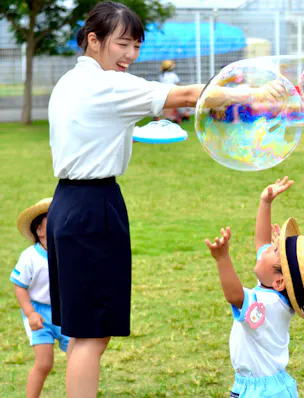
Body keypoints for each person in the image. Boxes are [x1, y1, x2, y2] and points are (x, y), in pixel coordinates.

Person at [46, 2, 283, 397]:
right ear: (94, 39)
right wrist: (254, 92)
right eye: (122, 44)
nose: (131, 55)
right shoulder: (108, 84)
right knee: (91, 336)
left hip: (68, 205)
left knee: (84, 332)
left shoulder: (71, 82)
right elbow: (190, 94)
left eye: (136, 45)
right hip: (92, 210)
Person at [205, 177, 304, 397]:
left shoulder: (267, 303)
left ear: (280, 281)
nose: (266, 249)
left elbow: (235, 295)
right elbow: (261, 242)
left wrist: (222, 258)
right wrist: (266, 202)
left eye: (274, 251)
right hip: (264, 386)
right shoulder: (273, 293)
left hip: (262, 392)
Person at [11, 198, 70, 398]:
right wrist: (30, 313)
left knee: (79, 357)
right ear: (39, 230)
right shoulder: (30, 257)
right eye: (53, 219)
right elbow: (19, 286)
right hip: (39, 314)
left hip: (66, 313)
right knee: (44, 364)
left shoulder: (69, 253)